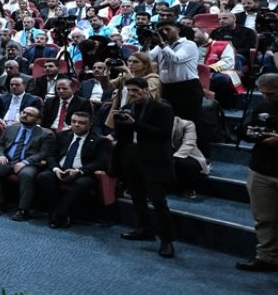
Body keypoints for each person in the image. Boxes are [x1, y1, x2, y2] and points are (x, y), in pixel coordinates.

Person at [236, 73, 278, 272]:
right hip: (261, 168)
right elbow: (249, 128)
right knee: (263, 218)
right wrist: (246, 132)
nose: (266, 98)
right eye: (263, 93)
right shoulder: (262, 106)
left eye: (271, 94)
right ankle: (267, 257)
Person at [114, 78, 177, 258]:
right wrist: (120, 122)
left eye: (135, 90)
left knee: (158, 201)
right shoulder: (128, 108)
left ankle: (167, 240)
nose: (132, 94)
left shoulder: (162, 108)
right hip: (131, 158)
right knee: (136, 196)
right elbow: (121, 135)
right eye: (129, 91)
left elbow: (163, 134)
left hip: (154, 160)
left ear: (145, 90)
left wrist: (134, 124)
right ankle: (144, 229)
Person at [36, 111, 113, 228]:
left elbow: (101, 162)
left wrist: (78, 171)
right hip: (60, 170)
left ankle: (60, 214)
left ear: (90, 125)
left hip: (83, 173)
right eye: (74, 122)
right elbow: (50, 155)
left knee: (82, 184)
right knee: (44, 177)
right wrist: (56, 169)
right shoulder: (62, 135)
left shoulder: (100, 141)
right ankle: (54, 211)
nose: (76, 125)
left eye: (81, 123)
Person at [0, 106, 54, 221]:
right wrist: (0, 154)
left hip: (29, 163)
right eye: (24, 112)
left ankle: (23, 209)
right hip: (8, 159)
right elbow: (1, 144)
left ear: (38, 120)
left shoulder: (45, 134)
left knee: (26, 175)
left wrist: (25, 162)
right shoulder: (11, 128)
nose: (24, 115)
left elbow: (43, 153)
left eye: (29, 114)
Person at [147, 22, 202, 124]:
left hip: (187, 88)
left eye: (167, 29)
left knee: (188, 121)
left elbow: (176, 59)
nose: (164, 33)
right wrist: (147, 43)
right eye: (160, 31)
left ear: (177, 30)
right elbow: (146, 58)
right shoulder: (161, 46)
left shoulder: (189, 44)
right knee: (168, 119)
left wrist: (162, 44)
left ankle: (193, 140)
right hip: (166, 87)